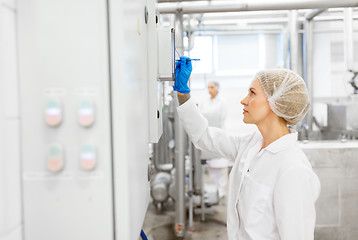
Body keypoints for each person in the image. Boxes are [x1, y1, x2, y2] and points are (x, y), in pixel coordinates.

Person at [173, 56, 321, 240]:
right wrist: (183, 93)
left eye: (252, 93)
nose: (243, 100)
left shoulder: (292, 169)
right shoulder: (252, 144)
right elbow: (205, 137)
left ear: (277, 102)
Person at [199, 81, 230, 198]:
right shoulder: (205, 102)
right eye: (208, 87)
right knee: (211, 162)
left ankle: (221, 190)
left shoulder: (222, 102)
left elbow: (222, 117)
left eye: (211, 87)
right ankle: (213, 187)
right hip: (209, 134)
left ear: (217, 88)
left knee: (221, 163)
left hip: (220, 134)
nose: (209, 89)